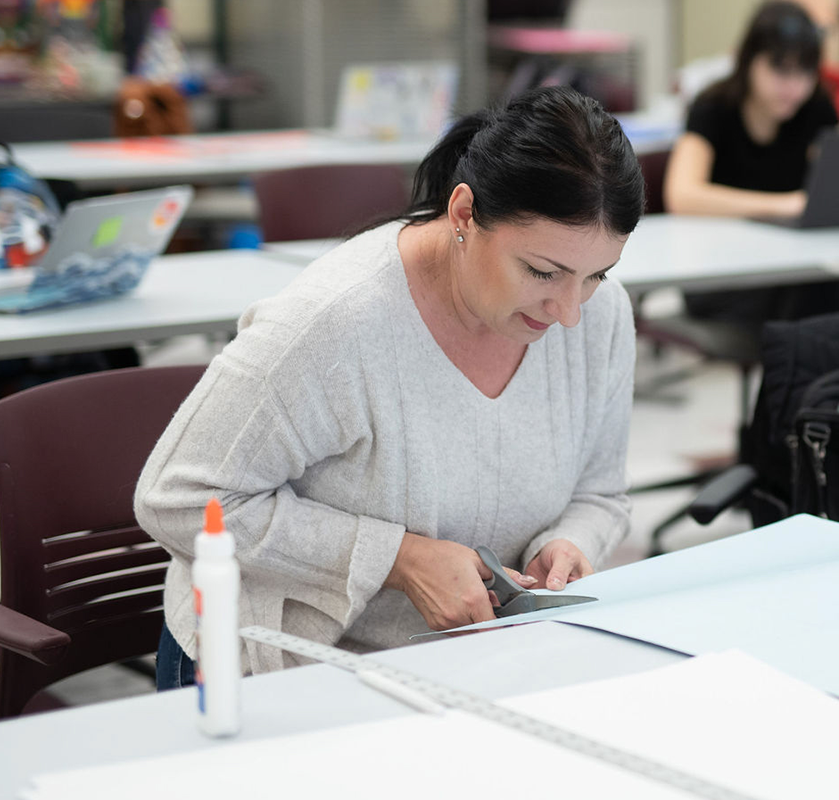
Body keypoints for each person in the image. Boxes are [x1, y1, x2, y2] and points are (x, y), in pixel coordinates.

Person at [136, 86, 644, 682]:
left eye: (596, 276)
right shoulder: (334, 325)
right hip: (289, 669)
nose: (569, 312)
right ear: (462, 215)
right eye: (541, 272)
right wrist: (396, 559)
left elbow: (601, 494)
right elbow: (177, 498)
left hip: (480, 663)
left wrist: (572, 542)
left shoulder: (600, 316)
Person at [665, 0, 839, 321]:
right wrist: (783, 205)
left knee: (825, 291)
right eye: (780, 70)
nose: (795, 87)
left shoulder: (817, 108)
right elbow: (682, 195)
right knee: (809, 304)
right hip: (719, 271)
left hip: (791, 266)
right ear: (748, 60)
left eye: (806, 72)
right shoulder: (713, 107)